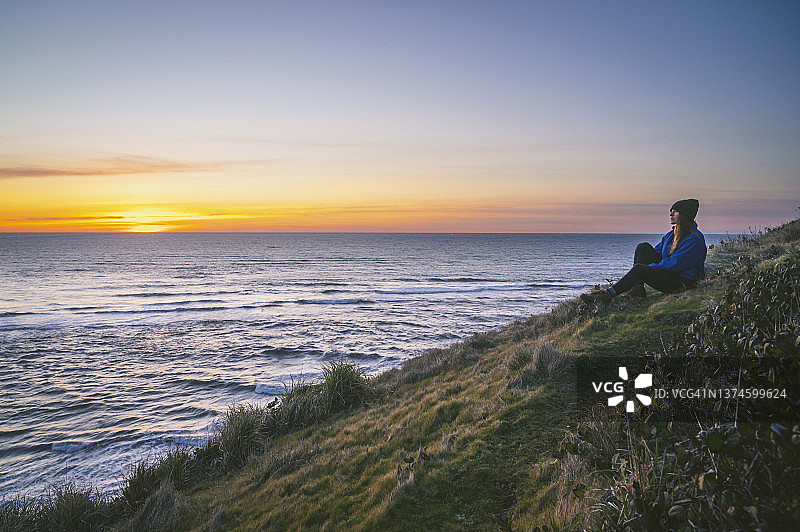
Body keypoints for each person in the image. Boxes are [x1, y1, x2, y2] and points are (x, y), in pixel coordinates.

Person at [582, 199, 707, 303]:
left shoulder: (694, 238)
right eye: (671, 211)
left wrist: (646, 268)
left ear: (684, 215)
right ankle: (637, 290)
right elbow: (657, 252)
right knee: (643, 247)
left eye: (675, 212)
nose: (671, 214)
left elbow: (676, 264)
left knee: (639, 269)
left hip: (684, 282)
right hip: (673, 274)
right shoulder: (672, 234)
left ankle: (606, 296)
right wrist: (645, 266)